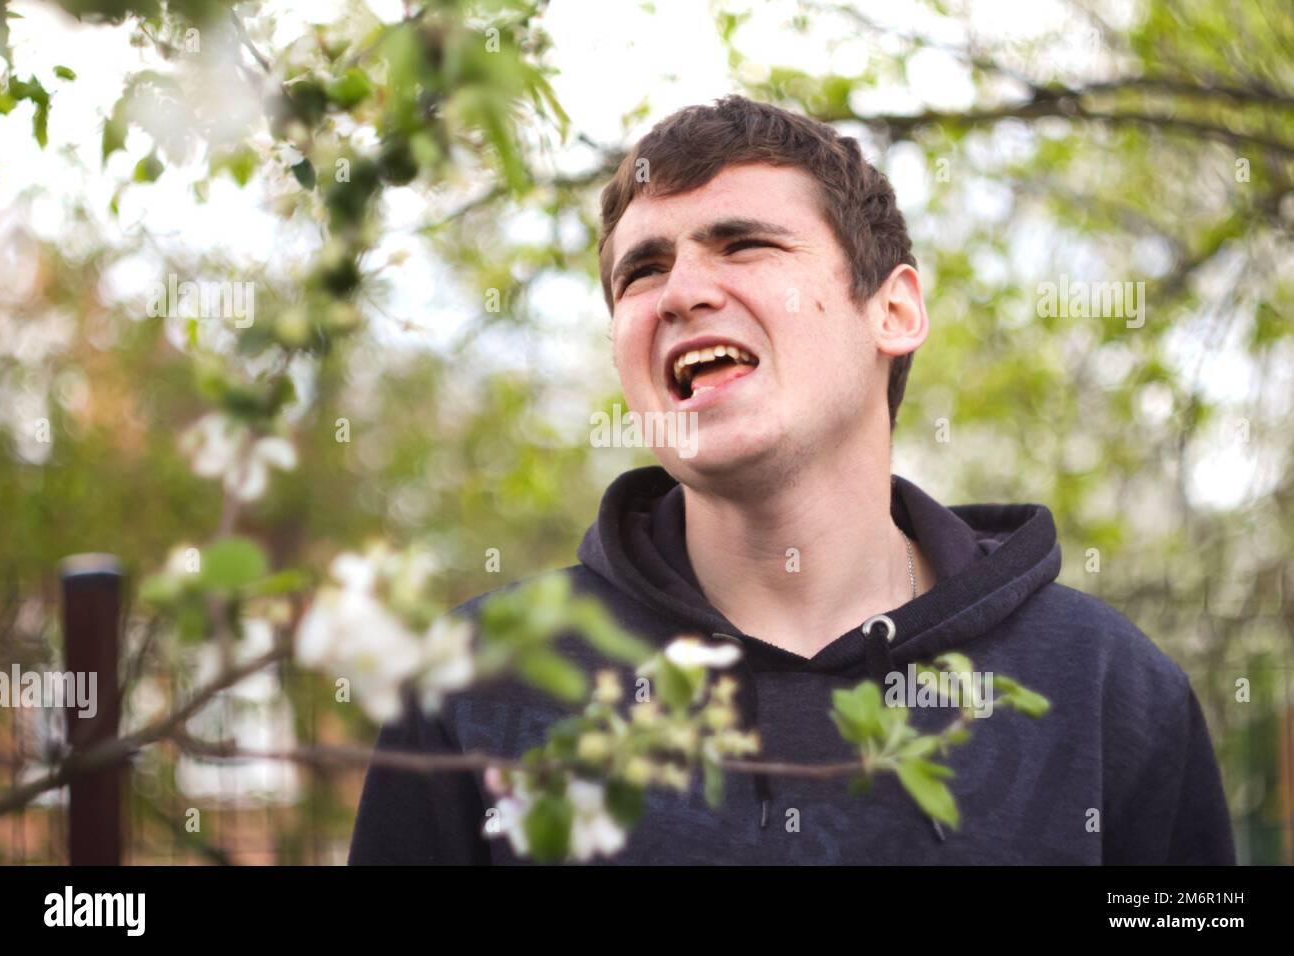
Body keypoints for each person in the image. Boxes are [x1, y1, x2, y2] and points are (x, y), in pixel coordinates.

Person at [348, 94, 1235, 865]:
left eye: (743, 244)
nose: (681, 290)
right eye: (643, 269)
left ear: (893, 310)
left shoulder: (1111, 690)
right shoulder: (475, 687)